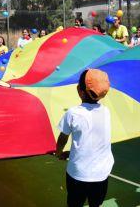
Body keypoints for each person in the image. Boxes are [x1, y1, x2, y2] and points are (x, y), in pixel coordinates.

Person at [55, 69, 113, 207]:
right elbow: (91, 140)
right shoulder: (106, 111)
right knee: (95, 204)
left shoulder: (73, 113)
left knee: (74, 203)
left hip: (78, 173)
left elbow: (63, 138)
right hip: (101, 174)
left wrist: (58, 152)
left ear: (79, 91)